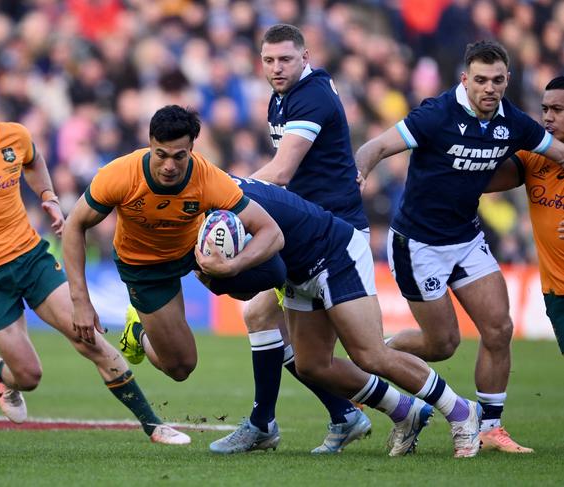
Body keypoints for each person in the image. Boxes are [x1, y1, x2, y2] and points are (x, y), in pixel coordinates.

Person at [0, 65, 189, 445]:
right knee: (29, 376)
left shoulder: (16, 136)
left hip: (31, 258)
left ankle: (153, 425)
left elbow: (35, 161)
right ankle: (3, 376)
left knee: (89, 338)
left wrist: (48, 198)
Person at [355, 41, 564, 454]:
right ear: (465, 80)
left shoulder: (516, 123)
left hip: (466, 239)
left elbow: (558, 151)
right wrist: (356, 178)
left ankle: (490, 427)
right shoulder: (436, 114)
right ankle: (376, 360)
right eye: (481, 80)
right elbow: (374, 147)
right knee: (442, 344)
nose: (489, 88)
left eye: (498, 80)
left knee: (499, 328)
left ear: (508, 81)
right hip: (418, 244)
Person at [201, 175, 482, 458]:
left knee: (370, 354)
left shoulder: (223, 211)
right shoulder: (213, 196)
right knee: (312, 365)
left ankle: (461, 410)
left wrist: (220, 273)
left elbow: (268, 274)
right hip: (299, 273)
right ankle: (405, 411)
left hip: (333, 254)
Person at [203, 22, 374, 455]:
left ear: (306, 56)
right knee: (268, 323)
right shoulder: (283, 98)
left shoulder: (310, 95)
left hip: (332, 236)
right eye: (268, 60)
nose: (276, 68)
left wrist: (226, 193)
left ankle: (429, 407)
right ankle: (338, 415)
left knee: (369, 353)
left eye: (285, 59)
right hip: (307, 232)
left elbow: (279, 173)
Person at [61, 106, 284, 391]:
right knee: (181, 367)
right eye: (161, 155)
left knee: (274, 272)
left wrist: (231, 266)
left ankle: (224, 283)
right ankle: (137, 330)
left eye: (179, 156)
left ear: (191, 149)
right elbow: (74, 226)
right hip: (144, 266)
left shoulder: (208, 178)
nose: (169, 166)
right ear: (150, 143)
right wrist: (80, 300)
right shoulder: (119, 175)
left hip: (194, 251)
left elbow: (272, 233)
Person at [486, 76, 564, 356]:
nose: (548, 117)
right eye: (545, 110)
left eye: (558, 110)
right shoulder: (534, 156)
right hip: (556, 291)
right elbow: (486, 181)